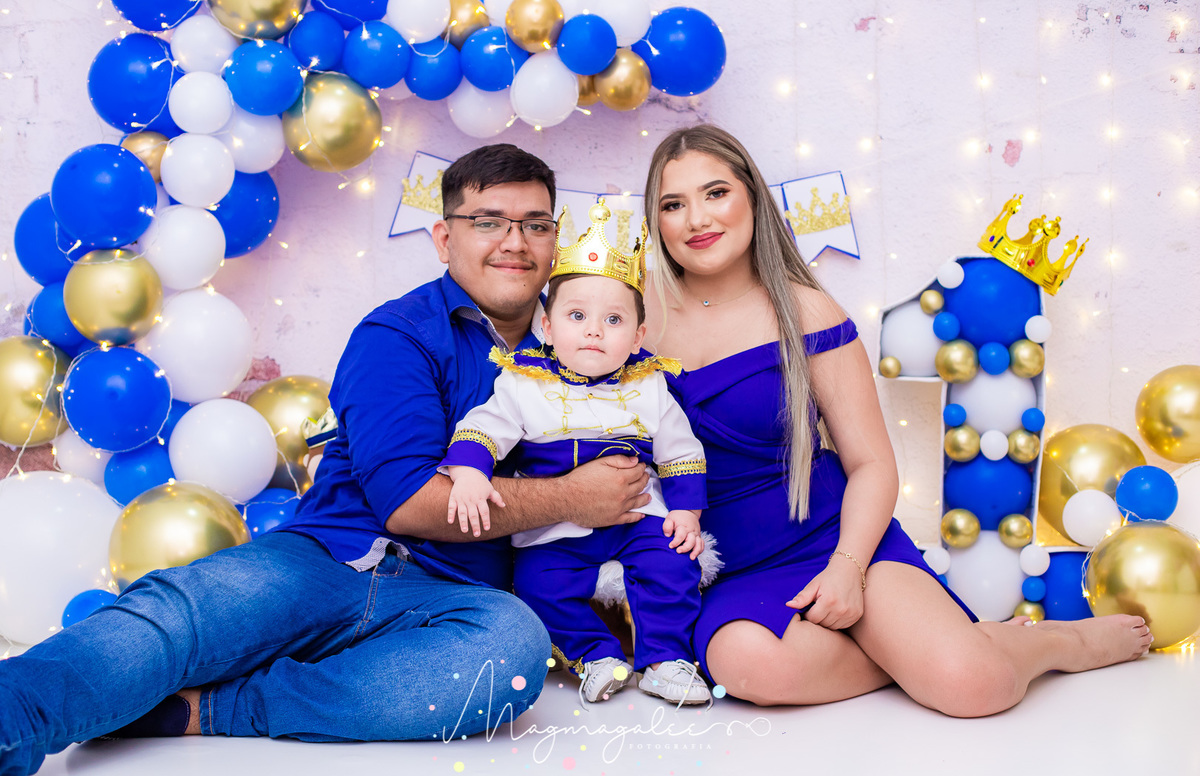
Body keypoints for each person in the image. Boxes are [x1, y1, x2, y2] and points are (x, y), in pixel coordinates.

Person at [0, 144, 652, 776]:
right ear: (444, 239)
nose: (515, 241)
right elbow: (409, 504)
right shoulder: (398, 335)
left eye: (535, 224)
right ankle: (14, 720)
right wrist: (575, 496)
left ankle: (219, 708)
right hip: (327, 561)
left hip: (455, 599)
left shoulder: (592, 343)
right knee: (176, 618)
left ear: (554, 240)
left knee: (510, 653)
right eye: (488, 222)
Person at [641, 124, 1153, 716]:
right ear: (656, 222)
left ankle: (1054, 642)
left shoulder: (807, 311)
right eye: (673, 205)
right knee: (749, 667)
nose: (697, 219)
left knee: (974, 687)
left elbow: (871, 464)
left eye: (715, 193)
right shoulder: (631, 316)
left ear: (751, 197)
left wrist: (847, 568)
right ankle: (939, 649)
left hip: (836, 538)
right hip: (725, 568)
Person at [441, 200, 710, 706]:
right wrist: (471, 474)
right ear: (547, 326)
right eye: (577, 316)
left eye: (614, 320)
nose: (594, 330)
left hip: (638, 515)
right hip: (554, 527)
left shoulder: (649, 384)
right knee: (538, 584)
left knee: (674, 566)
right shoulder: (523, 381)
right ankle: (595, 655)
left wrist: (687, 513)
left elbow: (681, 452)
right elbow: (483, 429)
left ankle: (665, 660)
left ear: (638, 336)